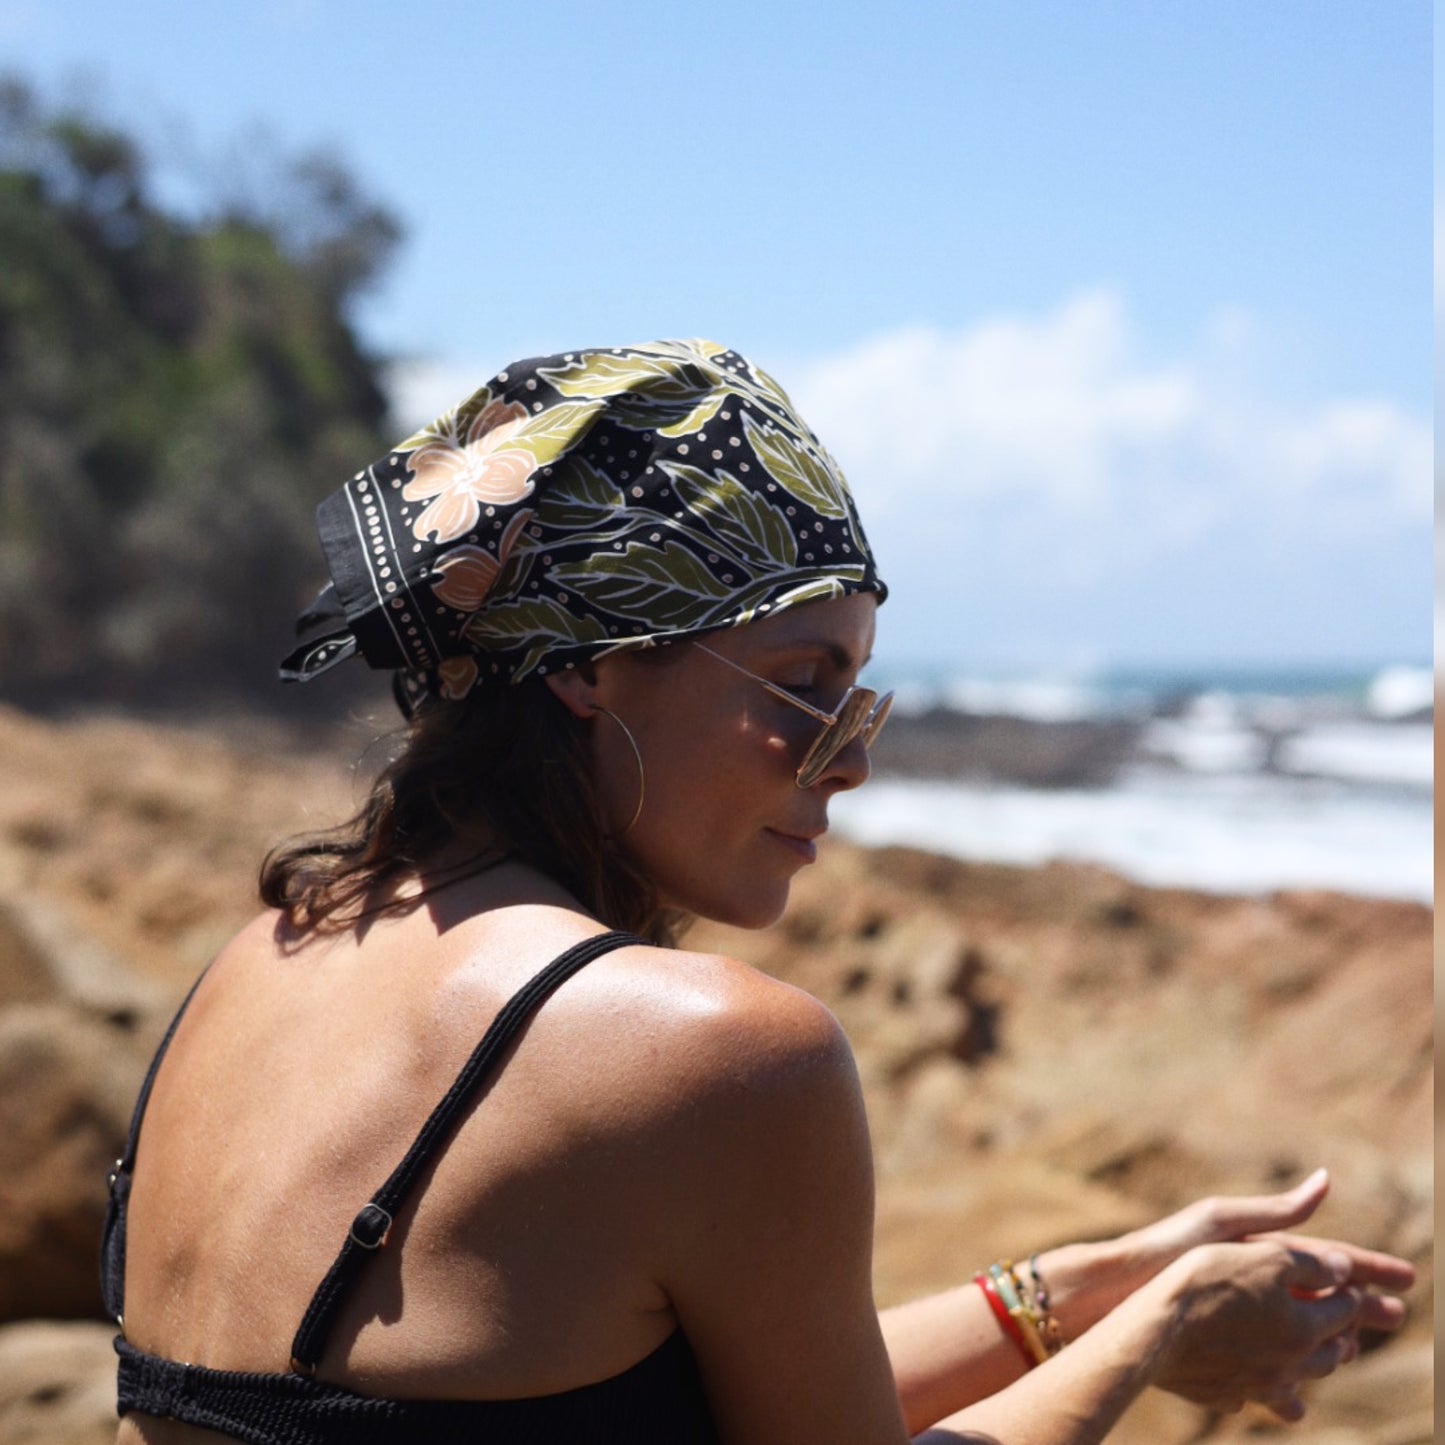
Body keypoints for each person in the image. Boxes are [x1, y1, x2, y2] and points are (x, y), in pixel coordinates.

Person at [103, 339, 1412, 1444]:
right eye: (800, 688)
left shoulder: (255, 966)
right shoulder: (702, 1053)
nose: (846, 764)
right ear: (589, 668)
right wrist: (1166, 1326)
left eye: (859, 703)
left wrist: (1076, 1289)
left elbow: (693, 1404)